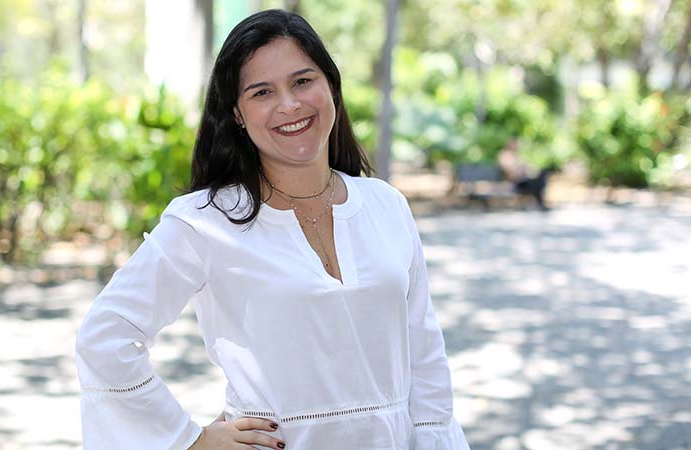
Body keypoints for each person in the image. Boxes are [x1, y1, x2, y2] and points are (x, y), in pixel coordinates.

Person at [75, 9, 470, 450]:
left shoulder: (386, 205)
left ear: (331, 88)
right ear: (238, 115)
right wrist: (190, 439)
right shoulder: (205, 222)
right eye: (262, 92)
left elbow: (425, 354)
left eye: (303, 81)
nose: (289, 104)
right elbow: (106, 337)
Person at [497, 139, 553, 210]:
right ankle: (540, 203)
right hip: (515, 183)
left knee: (542, 175)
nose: (516, 146)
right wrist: (519, 169)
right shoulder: (505, 155)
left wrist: (529, 170)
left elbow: (527, 168)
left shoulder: (517, 155)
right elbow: (509, 171)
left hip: (524, 180)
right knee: (537, 184)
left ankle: (540, 203)